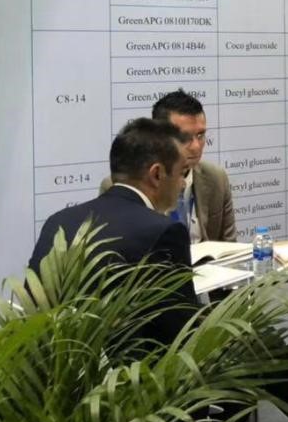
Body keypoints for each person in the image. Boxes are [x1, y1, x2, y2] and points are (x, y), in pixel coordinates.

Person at [32, 118, 196, 346]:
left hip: (58, 363)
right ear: (157, 174)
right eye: (181, 173)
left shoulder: (58, 222)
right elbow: (181, 331)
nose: (183, 184)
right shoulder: (164, 231)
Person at [100, 90, 237, 244]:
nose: (196, 146)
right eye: (184, 137)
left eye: (200, 135)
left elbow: (230, 246)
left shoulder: (216, 178)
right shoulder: (121, 186)